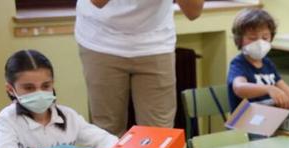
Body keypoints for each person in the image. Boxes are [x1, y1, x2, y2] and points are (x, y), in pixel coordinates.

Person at [74, 0, 204, 136]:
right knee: (106, 132)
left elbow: (193, 11)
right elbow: (97, 2)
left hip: (155, 41)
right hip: (102, 39)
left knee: (158, 134)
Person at [0, 50, 118, 148]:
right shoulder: (7, 118)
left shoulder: (69, 116)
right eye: (29, 88)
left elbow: (104, 140)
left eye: (46, 86)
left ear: (53, 83)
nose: (39, 92)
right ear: (11, 89)